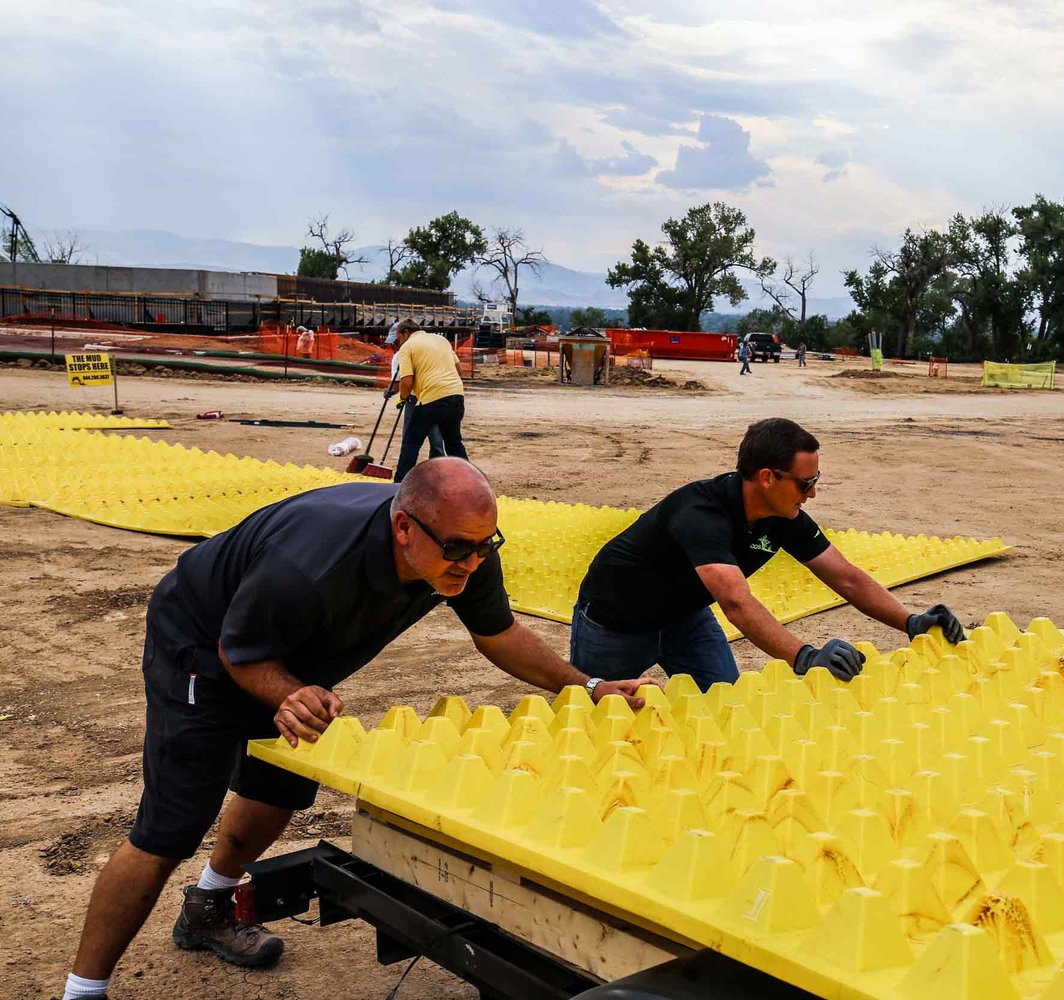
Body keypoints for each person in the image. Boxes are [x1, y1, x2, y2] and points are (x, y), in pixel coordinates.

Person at [59, 459, 650, 1000]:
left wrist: (589, 686)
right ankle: (82, 991)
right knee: (170, 827)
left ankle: (208, 906)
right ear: (403, 529)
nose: (471, 563)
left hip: (290, 647)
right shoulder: (310, 567)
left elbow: (498, 635)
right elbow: (238, 652)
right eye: (458, 549)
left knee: (281, 783)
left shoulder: (459, 549)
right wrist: (287, 694)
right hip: (205, 641)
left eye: (484, 546)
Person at [570, 418, 966, 692]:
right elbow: (735, 602)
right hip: (616, 622)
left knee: (728, 704)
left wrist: (911, 621)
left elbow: (846, 576)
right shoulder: (700, 513)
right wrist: (805, 657)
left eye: (816, 481)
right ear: (767, 478)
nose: (812, 493)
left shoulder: (782, 513)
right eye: (805, 483)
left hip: (685, 617)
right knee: (596, 717)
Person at [393, 323, 468, 482]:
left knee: (410, 444)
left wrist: (402, 399)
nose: (399, 343)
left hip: (431, 399)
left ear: (405, 333)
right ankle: (469, 483)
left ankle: (398, 487)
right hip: (456, 396)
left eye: (399, 338)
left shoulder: (407, 347)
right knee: (454, 444)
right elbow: (459, 371)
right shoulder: (441, 340)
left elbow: (406, 380)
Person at [385, 319, 443, 461]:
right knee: (436, 441)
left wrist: (393, 393)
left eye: (397, 340)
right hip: (436, 396)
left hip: (417, 399)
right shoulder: (434, 346)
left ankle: (408, 471)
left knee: (411, 441)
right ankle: (437, 467)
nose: (396, 345)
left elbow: (403, 382)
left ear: (405, 334)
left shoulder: (401, 354)